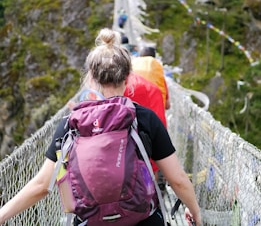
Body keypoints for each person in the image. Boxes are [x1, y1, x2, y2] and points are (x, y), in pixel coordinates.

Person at [0, 28, 201, 226]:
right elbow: (178, 180)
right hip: (143, 220)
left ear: (91, 78)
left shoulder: (71, 124)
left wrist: (2, 215)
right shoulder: (145, 118)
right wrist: (196, 215)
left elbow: (41, 186)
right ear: (127, 78)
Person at [132, 46, 171, 110]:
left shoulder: (133, 64)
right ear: (154, 58)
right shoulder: (158, 70)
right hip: (155, 114)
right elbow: (167, 105)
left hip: (134, 112)